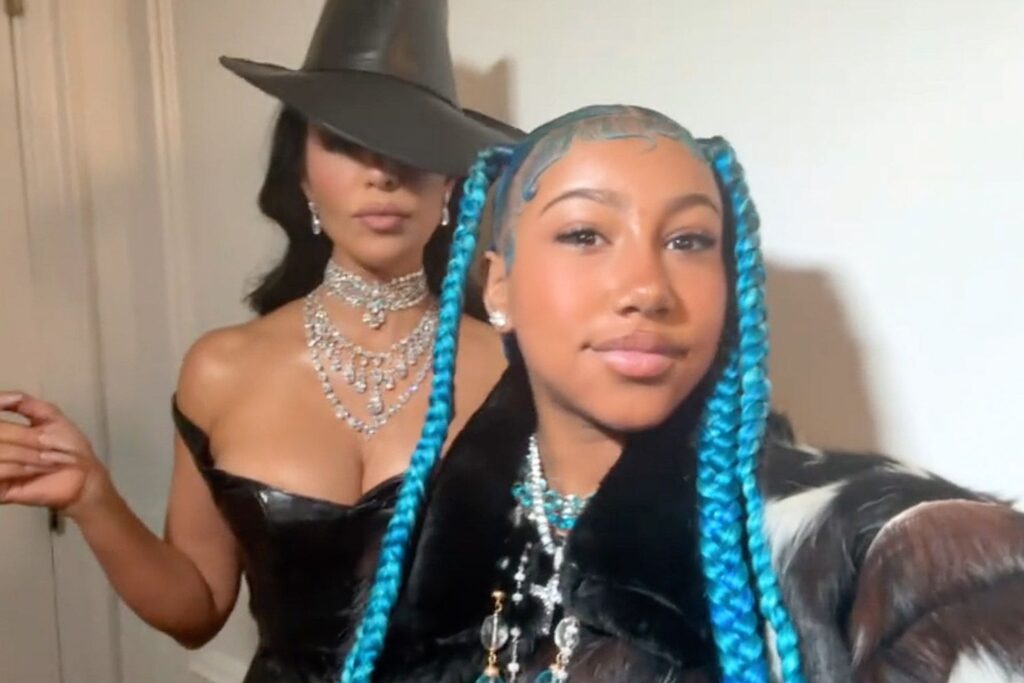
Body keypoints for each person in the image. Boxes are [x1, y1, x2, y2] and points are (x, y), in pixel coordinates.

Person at [336, 105, 1024, 683]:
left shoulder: (892, 556)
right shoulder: (412, 554)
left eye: (690, 240)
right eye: (585, 234)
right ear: (499, 287)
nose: (647, 288)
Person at [0, 1, 518, 681]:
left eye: (409, 143)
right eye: (345, 141)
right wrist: (91, 496)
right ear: (301, 171)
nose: (382, 173)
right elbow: (196, 608)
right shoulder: (220, 369)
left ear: (450, 180)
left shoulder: (516, 368)